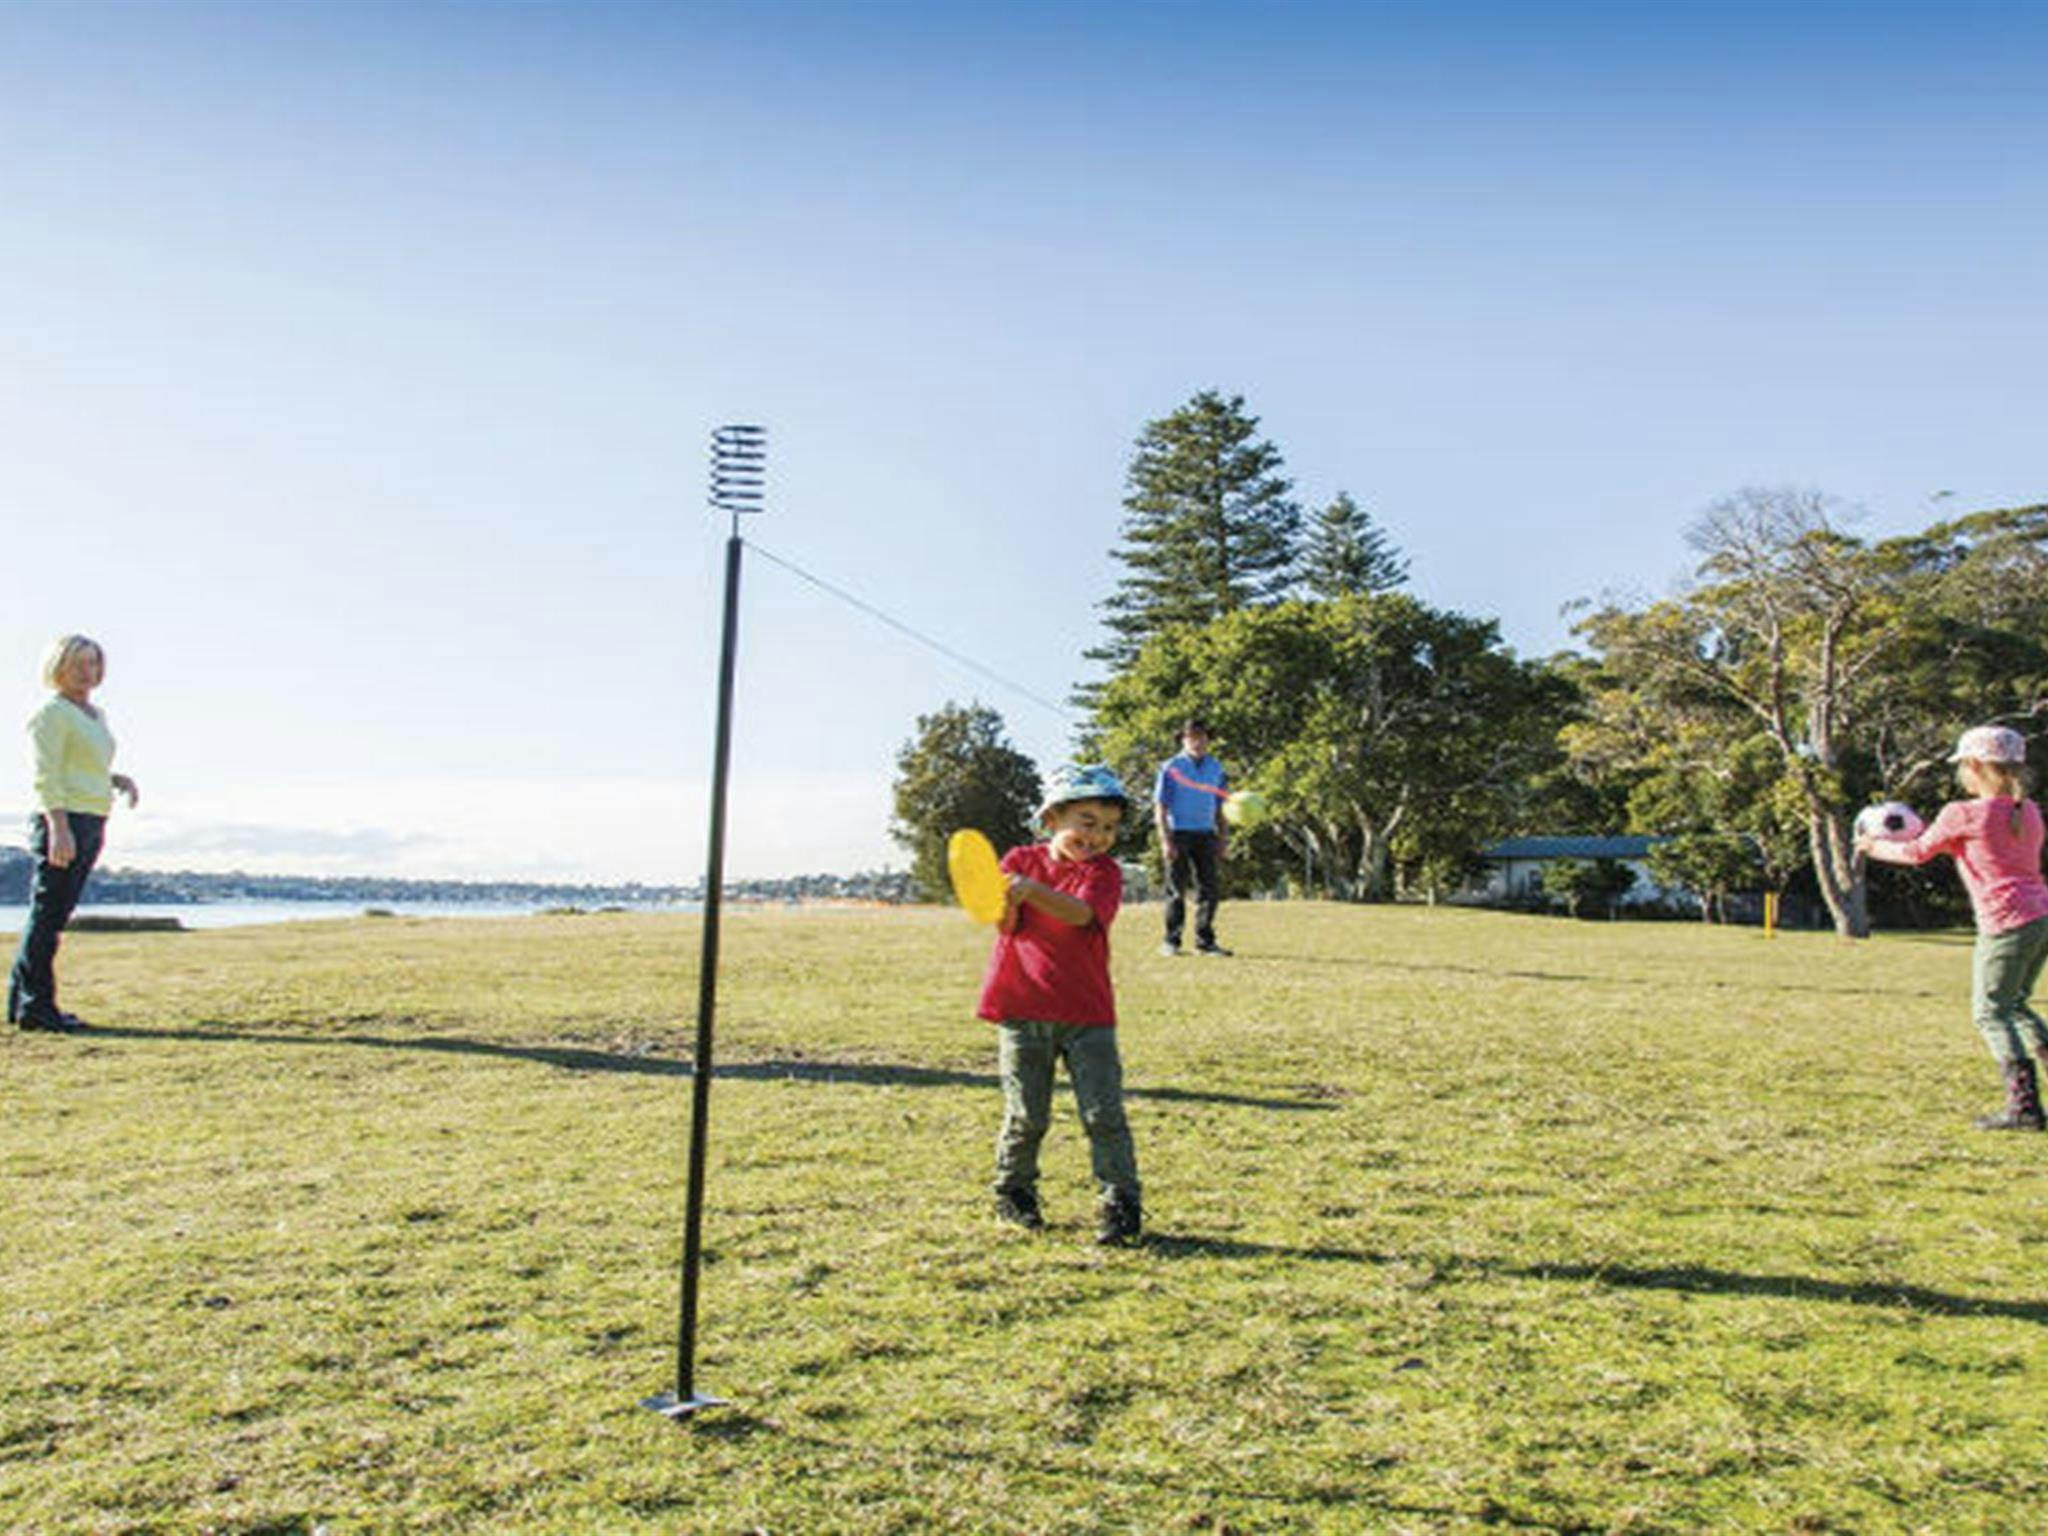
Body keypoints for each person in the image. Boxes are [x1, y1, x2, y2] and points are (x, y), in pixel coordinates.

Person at [978, 763, 1143, 1244]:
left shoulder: (1104, 873)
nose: (1098, 836)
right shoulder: (1019, 860)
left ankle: (1121, 1204)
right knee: (1027, 1114)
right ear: (1052, 819)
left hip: (1087, 1014)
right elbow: (1006, 926)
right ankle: (1014, 1194)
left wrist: (1032, 891)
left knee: (1103, 1113)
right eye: (1086, 822)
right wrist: (1007, 901)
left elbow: (1081, 914)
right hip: (1021, 1008)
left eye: (1109, 827)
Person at [1859, 724, 2048, 1131]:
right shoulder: (2028, 811)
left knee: (1990, 1011)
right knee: (2015, 1004)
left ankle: (2024, 1107)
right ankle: (2028, 1102)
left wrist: (1874, 847)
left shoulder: (1962, 814)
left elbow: (1915, 851)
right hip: (2040, 916)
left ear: (1976, 765)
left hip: (2005, 920)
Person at [9, 635, 139, 1033]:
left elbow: (81, 765)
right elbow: (46, 776)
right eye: (80, 663)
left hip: (92, 816)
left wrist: (115, 778)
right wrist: (58, 829)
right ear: (59, 666)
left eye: (94, 663)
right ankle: (36, 1008)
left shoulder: (93, 715)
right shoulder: (51, 714)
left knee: (52, 916)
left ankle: (24, 1004)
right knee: (48, 916)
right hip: (65, 821)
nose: (89, 672)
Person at [1155, 718, 1230, 956]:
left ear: (1207, 739)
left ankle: (1205, 942)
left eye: (1201, 736)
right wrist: (1165, 840)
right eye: (1191, 736)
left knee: (1209, 889)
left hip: (1206, 834)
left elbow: (1221, 807)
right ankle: (1171, 941)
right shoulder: (1170, 767)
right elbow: (1160, 808)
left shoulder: (1216, 768)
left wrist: (1223, 838)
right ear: (1184, 739)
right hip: (1178, 833)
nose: (1197, 741)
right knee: (1176, 890)